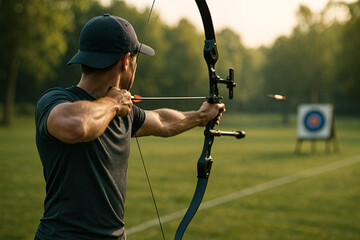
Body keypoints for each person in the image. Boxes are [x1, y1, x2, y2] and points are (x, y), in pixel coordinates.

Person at [34, 14, 225, 240]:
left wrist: (201, 115)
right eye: (135, 60)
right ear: (126, 61)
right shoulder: (55, 100)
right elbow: (77, 126)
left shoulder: (122, 111)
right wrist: (113, 103)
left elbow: (163, 121)